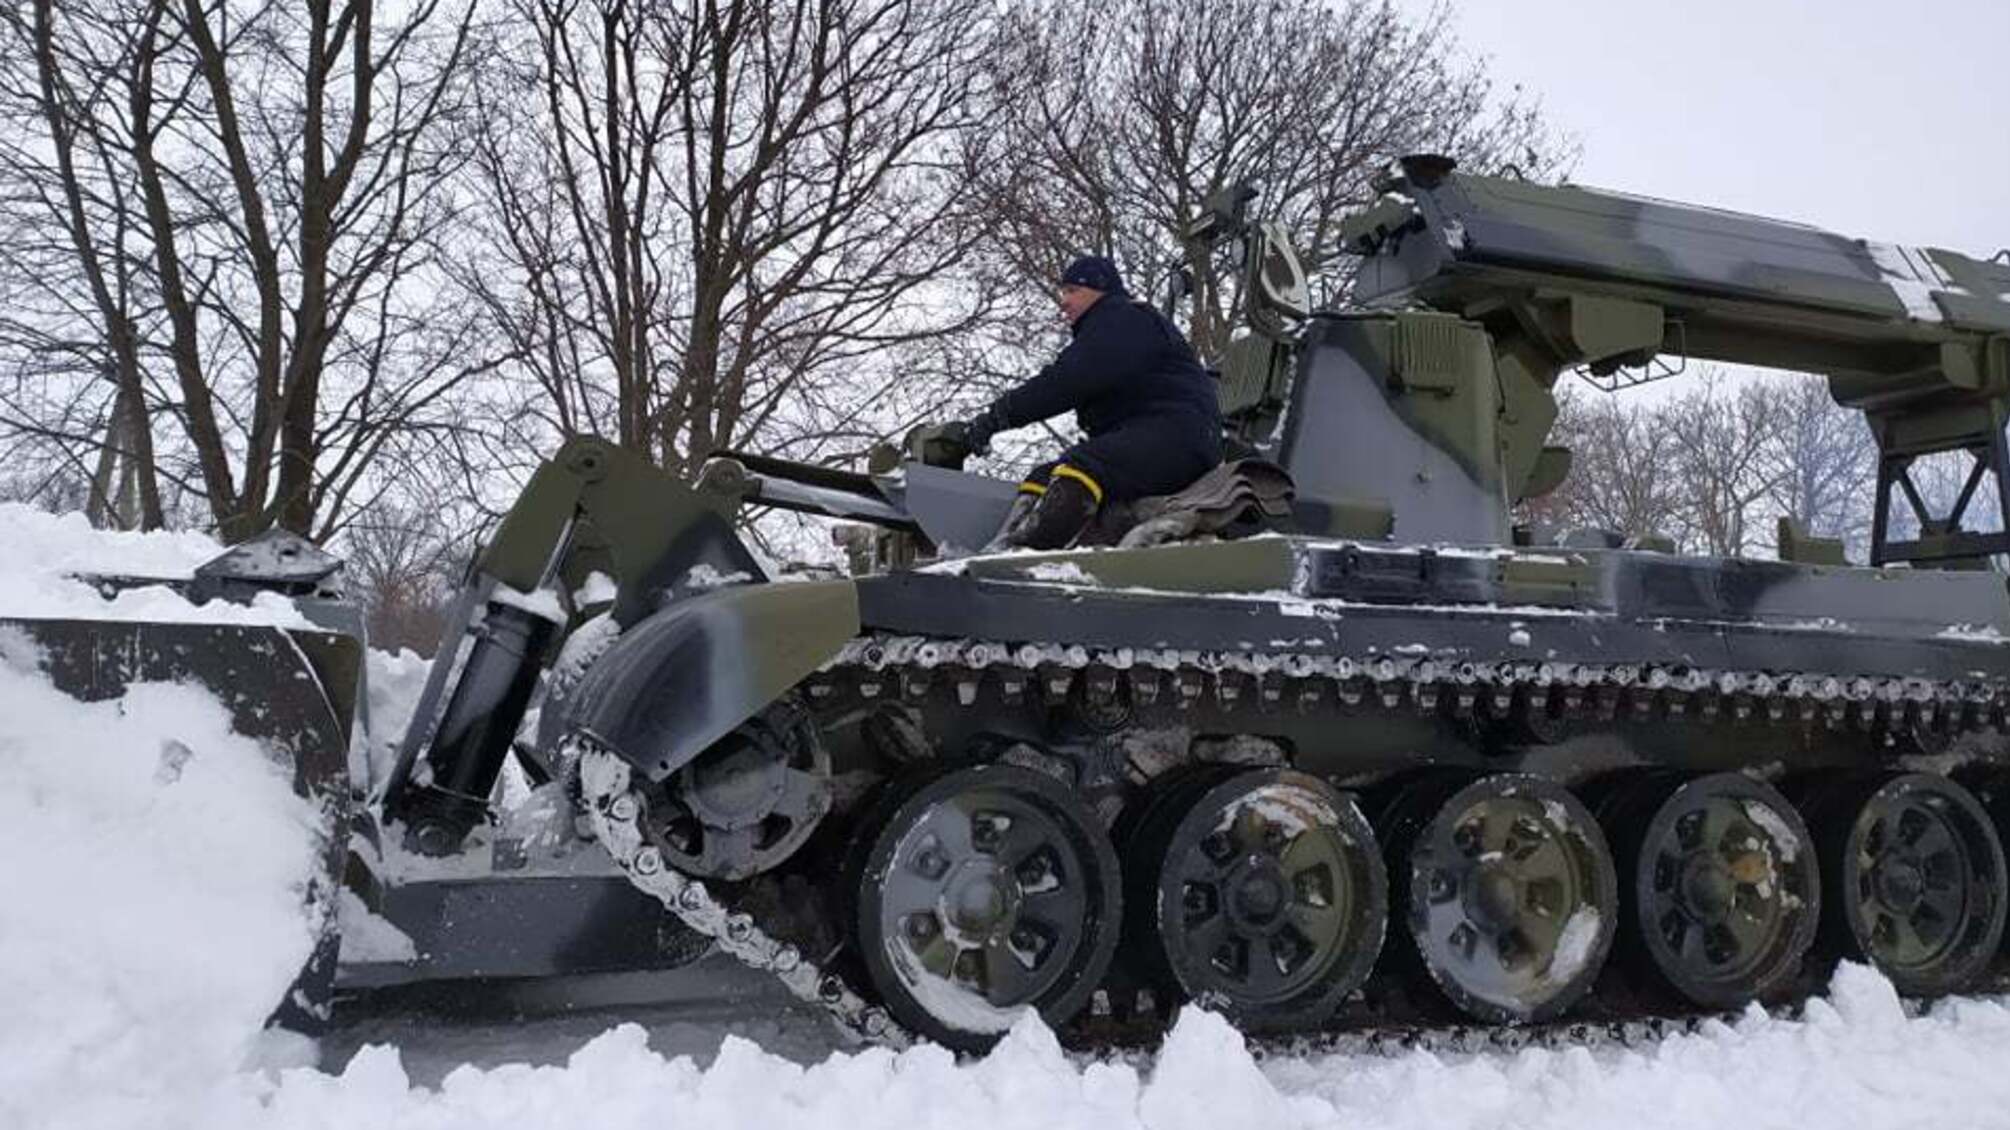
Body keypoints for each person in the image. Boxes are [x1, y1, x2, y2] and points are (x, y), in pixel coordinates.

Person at [962, 255, 1222, 549]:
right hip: (1149, 435)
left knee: (1084, 465)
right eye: (1062, 292)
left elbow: (1065, 382)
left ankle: (1028, 553)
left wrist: (996, 418)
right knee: (1044, 477)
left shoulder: (1123, 320)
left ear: (1100, 290)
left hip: (1177, 437)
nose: (1063, 301)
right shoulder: (1109, 326)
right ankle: (1000, 544)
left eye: (1073, 290)